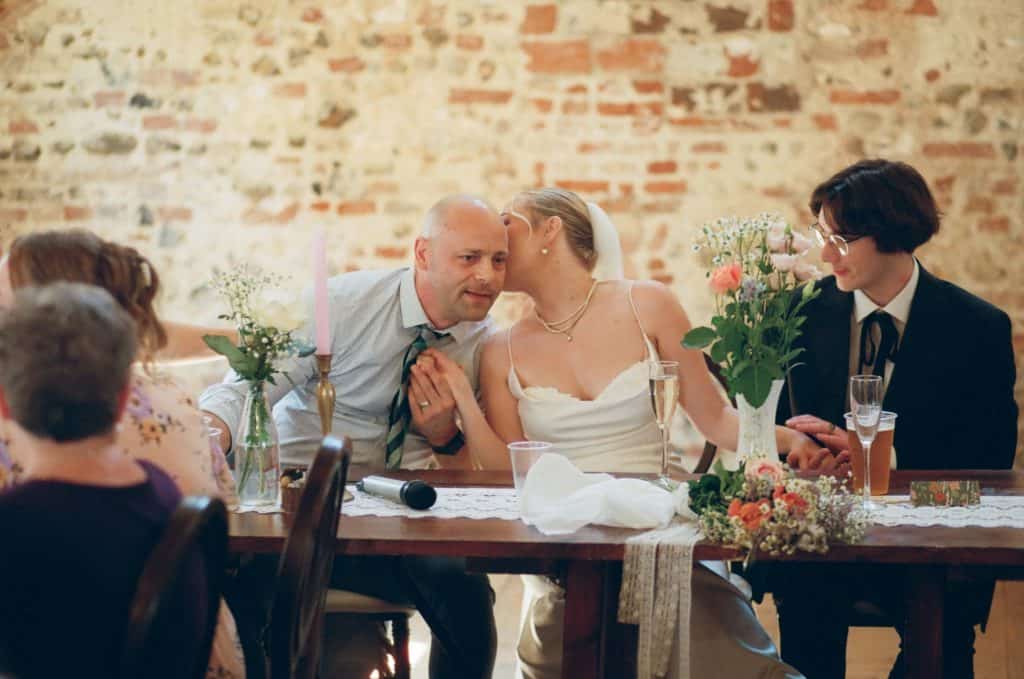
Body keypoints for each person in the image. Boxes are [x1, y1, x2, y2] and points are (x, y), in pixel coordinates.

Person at [418, 187, 810, 678]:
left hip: (658, 522)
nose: (497, 236)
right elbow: (506, 470)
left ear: (549, 231)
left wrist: (795, 441)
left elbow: (717, 421)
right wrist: (460, 398)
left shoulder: (649, 304)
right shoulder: (502, 348)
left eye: (508, 222)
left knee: (698, 623)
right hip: (564, 543)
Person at [201, 194, 508, 678]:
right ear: (423, 254)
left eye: (498, 260)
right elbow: (247, 390)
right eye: (469, 258)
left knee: (465, 589)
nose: (487, 275)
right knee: (246, 583)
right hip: (299, 508)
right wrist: (206, 438)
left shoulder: (487, 340)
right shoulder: (341, 305)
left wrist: (446, 437)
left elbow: (482, 466)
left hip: (400, 520)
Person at [774, 159, 1018, 678]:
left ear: (889, 232)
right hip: (824, 540)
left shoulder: (977, 328)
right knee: (804, 617)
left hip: (930, 543)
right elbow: (777, 432)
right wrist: (804, 452)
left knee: (943, 651)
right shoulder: (800, 314)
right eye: (822, 235)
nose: (824, 255)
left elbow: (987, 470)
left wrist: (871, 455)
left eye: (839, 239)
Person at [0, 230, 243, 678]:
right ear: (120, 396)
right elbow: (225, 505)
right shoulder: (171, 409)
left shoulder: (16, 512)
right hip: (192, 654)